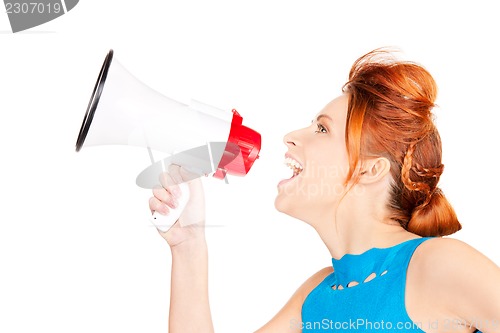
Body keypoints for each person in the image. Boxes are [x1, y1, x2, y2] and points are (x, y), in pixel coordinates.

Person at [148, 49, 500, 333]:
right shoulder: (315, 297)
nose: (290, 136)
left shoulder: (438, 264)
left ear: (369, 168)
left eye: (321, 129)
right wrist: (189, 245)